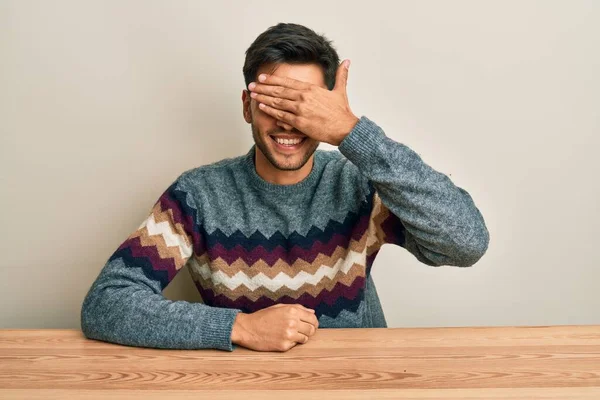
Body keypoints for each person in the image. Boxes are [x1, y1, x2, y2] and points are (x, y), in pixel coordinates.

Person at [81, 22, 490, 352]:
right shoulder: (199, 197)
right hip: (248, 387)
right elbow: (108, 302)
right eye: (272, 103)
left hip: (357, 382)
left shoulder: (360, 186)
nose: (286, 123)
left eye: (302, 106)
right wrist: (238, 328)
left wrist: (351, 132)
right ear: (246, 106)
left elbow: (466, 242)